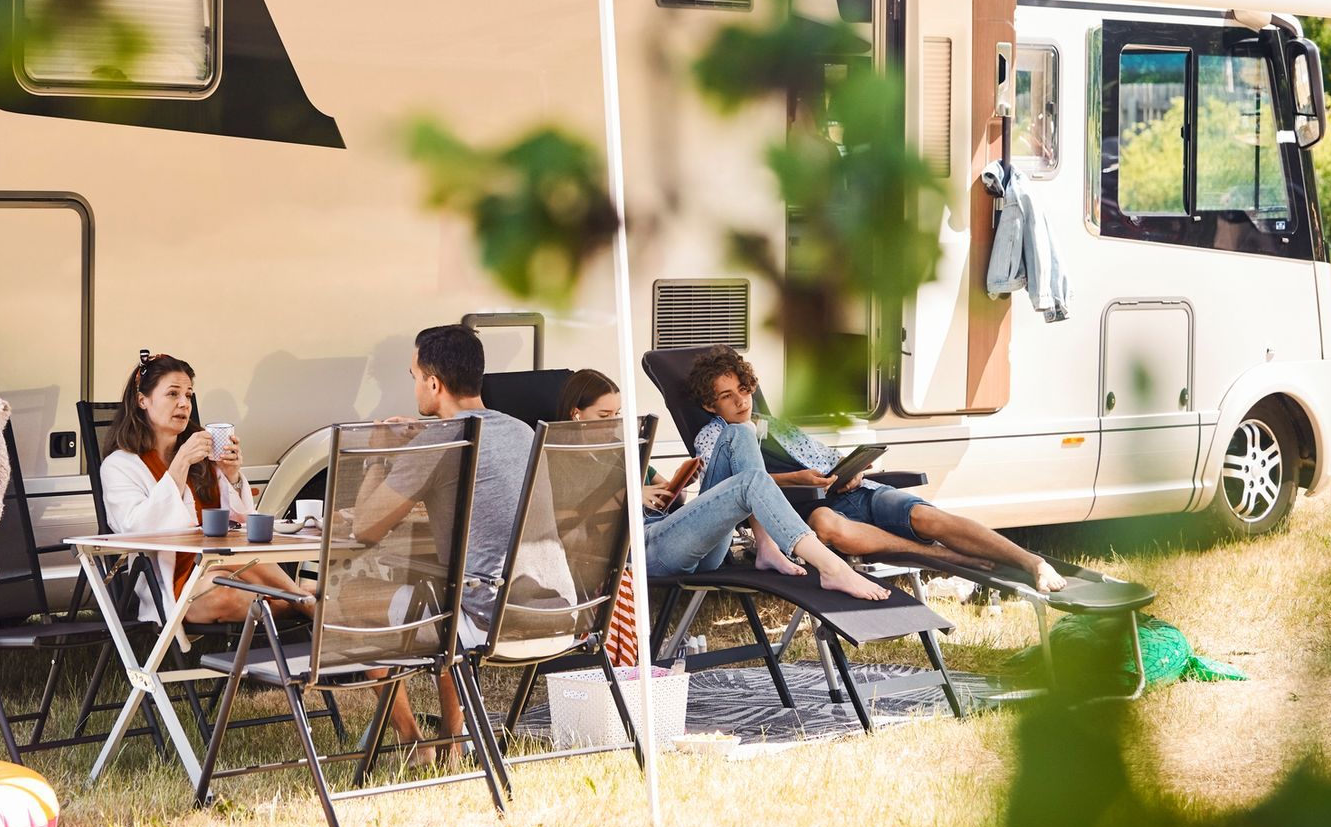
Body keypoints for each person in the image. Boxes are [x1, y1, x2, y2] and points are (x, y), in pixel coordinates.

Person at [686, 345, 1068, 594]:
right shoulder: (715, 437)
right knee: (827, 524)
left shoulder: (774, 423)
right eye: (726, 396)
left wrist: (849, 469)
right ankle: (948, 558)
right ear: (710, 405)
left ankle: (1032, 562)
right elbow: (729, 489)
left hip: (851, 491)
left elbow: (821, 455)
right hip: (808, 511)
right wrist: (797, 481)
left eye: (743, 390)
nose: (740, 402)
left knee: (926, 516)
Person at [353, 323, 534, 762]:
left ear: (434, 383)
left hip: (485, 614)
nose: (415, 385)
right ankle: (453, 742)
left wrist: (380, 454)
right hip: (548, 609)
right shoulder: (521, 431)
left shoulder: (442, 439)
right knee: (440, 591)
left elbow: (365, 528)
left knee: (354, 600)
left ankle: (413, 742)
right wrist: (422, 450)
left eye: (414, 376)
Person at [560, 368, 887, 601]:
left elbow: (670, 495)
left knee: (740, 432)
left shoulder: (621, 451)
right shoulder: (559, 457)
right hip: (644, 551)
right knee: (749, 483)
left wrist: (677, 483)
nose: (615, 423)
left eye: (618, 413)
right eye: (605, 416)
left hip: (679, 538)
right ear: (576, 414)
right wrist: (625, 496)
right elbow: (561, 527)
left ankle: (766, 546)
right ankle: (831, 568)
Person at [100, 353, 311, 624]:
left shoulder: (203, 458)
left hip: (220, 567)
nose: (183, 404)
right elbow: (135, 529)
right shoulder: (120, 465)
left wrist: (231, 475)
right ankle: (302, 601)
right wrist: (180, 463)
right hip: (169, 581)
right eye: (172, 394)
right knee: (224, 595)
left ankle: (300, 601)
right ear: (143, 400)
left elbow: (239, 523)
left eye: (188, 395)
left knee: (230, 560)